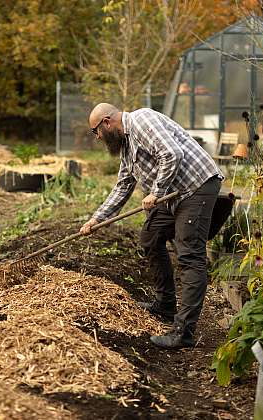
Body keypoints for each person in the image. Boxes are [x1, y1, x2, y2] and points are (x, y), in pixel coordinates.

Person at [80, 103, 223, 349]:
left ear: (106, 122)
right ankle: (166, 304)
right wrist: (97, 219)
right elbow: (123, 185)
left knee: (189, 255)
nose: (98, 138)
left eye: (96, 132)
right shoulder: (126, 146)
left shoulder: (142, 120)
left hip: (195, 188)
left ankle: (183, 332)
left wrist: (156, 192)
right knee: (150, 237)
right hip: (172, 195)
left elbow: (171, 154)